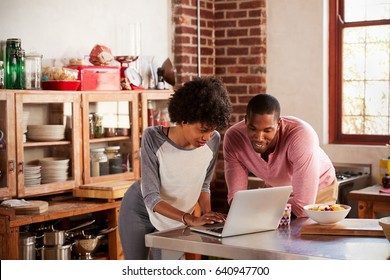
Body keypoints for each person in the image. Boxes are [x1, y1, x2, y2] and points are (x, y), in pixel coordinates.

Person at [119, 77, 232, 259]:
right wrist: (191, 219)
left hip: (176, 217)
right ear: (184, 119)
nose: (207, 136)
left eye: (212, 130)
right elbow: (151, 198)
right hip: (139, 210)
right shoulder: (152, 138)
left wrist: (208, 213)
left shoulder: (213, 140)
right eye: (203, 130)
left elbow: (203, 185)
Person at [223, 93, 338, 218]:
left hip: (319, 190)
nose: (259, 138)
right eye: (253, 129)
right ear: (246, 121)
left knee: (308, 233)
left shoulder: (301, 136)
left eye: (267, 130)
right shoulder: (234, 138)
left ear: (278, 124)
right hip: (279, 192)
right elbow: (236, 199)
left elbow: (303, 207)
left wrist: (257, 207)